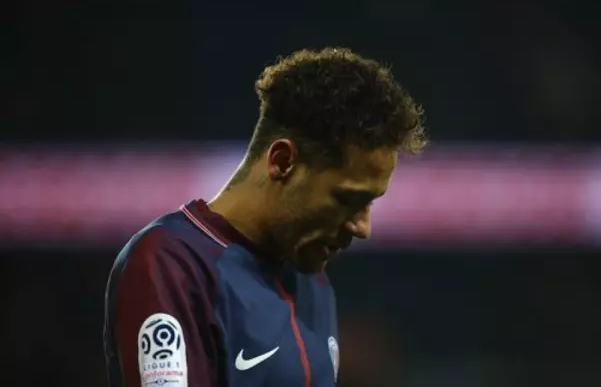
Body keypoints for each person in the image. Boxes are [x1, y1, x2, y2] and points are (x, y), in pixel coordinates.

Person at [103, 47, 426, 387]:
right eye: (348, 199)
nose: (363, 228)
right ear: (282, 161)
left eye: (370, 203)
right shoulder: (173, 264)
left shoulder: (315, 286)